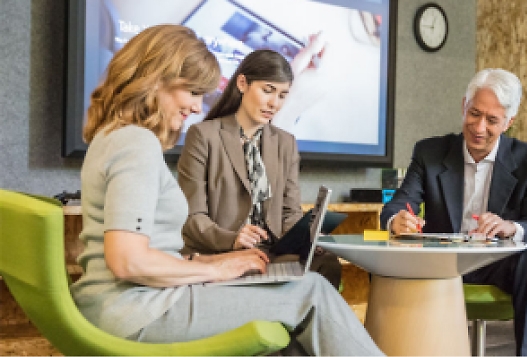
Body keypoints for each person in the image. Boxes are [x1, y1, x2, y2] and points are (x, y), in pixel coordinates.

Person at [70, 24, 382, 356]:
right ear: (156, 77)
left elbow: (138, 251)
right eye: (192, 92)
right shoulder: (137, 143)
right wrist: (213, 267)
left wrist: (207, 262)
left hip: (124, 303)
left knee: (296, 315)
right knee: (312, 293)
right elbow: (128, 262)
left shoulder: (112, 137)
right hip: (137, 311)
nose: (195, 107)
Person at [380, 68, 527, 356]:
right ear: (464, 106)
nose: (479, 127)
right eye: (474, 113)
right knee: (384, 261)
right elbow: (395, 206)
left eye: (492, 120)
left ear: (508, 122)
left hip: (496, 260)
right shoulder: (430, 152)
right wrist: (397, 220)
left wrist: (510, 227)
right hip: (443, 261)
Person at [176, 49, 342, 288]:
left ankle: (304, 324)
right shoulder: (203, 135)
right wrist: (233, 239)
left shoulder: (286, 143)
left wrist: (309, 237)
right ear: (242, 83)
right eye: (268, 90)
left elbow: (289, 213)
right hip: (223, 252)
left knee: (327, 263)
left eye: (283, 95)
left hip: (271, 252)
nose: (274, 103)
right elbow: (192, 217)